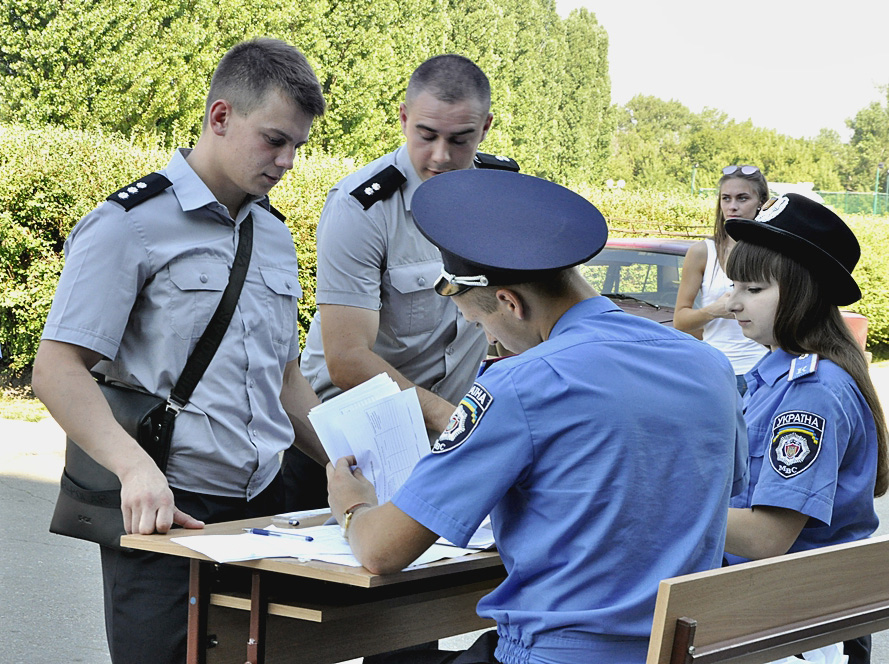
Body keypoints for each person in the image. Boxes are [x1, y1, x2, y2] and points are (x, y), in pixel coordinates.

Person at [326, 169, 749, 664]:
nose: (491, 341)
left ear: (510, 302)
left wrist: (354, 505)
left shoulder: (519, 385)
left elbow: (382, 550)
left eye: (483, 323)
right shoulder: (708, 364)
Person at [31, 38, 328, 664]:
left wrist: (349, 463)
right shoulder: (128, 224)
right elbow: (57, 369)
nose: (288, 161)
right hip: (169, 512)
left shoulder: (272, 236)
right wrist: (134, 468)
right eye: (275, 139)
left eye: (297, 145)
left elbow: (287, 379)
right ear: (220, 117)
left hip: (265, 513)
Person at [287, 54, 519, 508]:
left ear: (486, 127)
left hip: (440, 443)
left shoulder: (503, 197)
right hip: (343, 447)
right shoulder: (361, 208)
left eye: (460, 140)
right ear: (404, 117)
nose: (440, 156)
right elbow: (347, 359)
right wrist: (454, 421)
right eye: (426, 135)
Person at [722, 193, 889, 664]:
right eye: (735, 287)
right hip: (775, 611)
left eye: (752, 290)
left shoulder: (812, 390)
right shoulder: (777, 372)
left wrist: (663, 501)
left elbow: (764, 539)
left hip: (797, 629)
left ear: (804, 292)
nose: (732, 303)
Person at [674, 164, 770, 393]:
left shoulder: (773, 254)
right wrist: (714, 310)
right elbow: (680, 321)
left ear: (761, 202)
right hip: (716, 370)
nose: (733, 206)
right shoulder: (703, 252)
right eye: (726, 198)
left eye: (742, 198)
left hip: (764, 370)